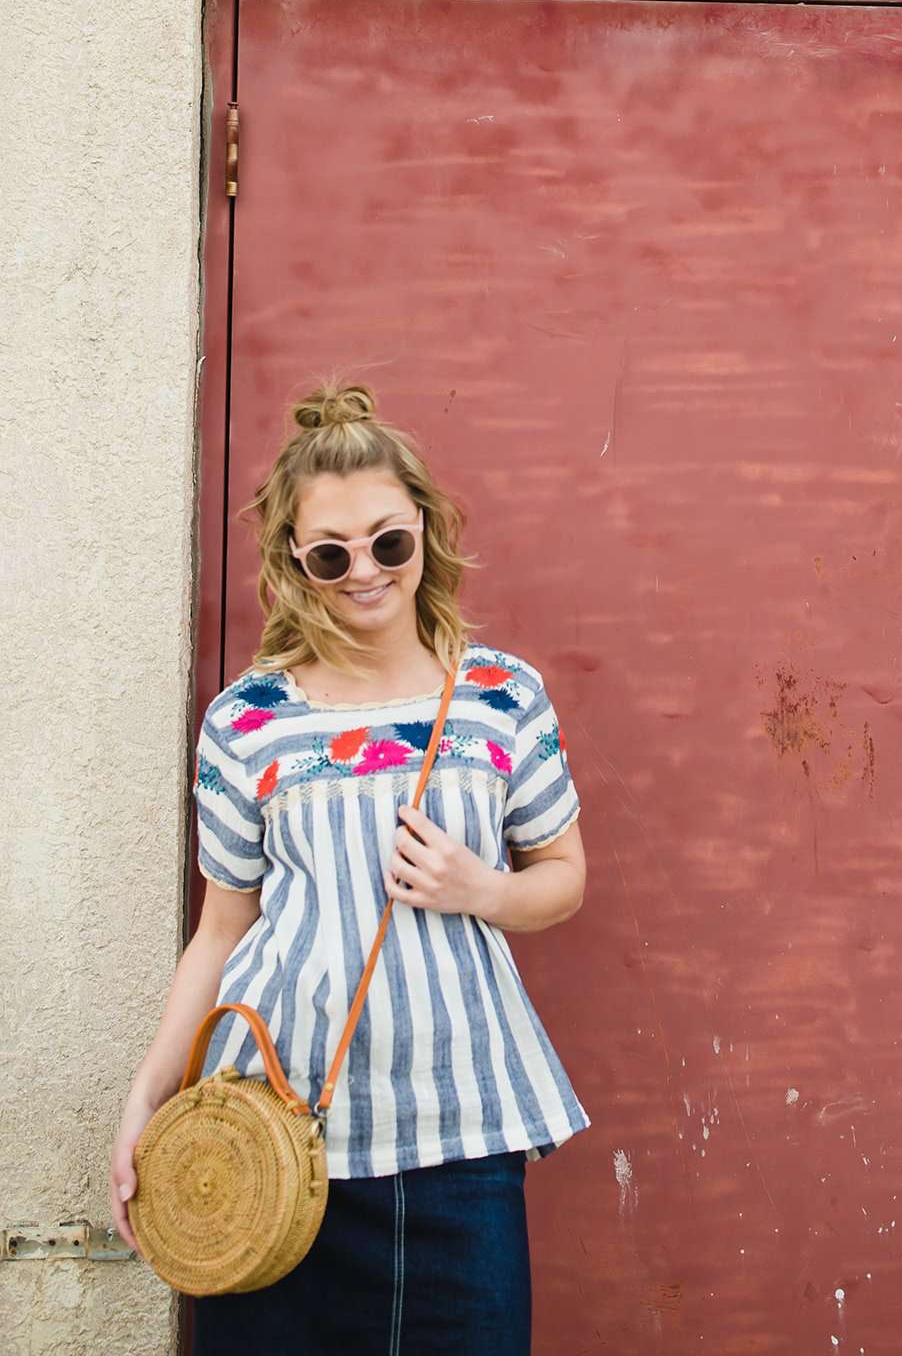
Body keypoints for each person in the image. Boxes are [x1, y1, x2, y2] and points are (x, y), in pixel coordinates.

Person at [109, 380, 590, 1353]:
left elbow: (565, 875)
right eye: (331, 554)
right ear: (294, 563)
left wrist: (482, 890)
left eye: (388, 541)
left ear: (426, 528)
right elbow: (223, 928)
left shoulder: (501, 697)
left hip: (463, 1144)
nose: (365, 570)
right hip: (271, 1145)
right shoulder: (249, 722)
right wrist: (146, 1097)